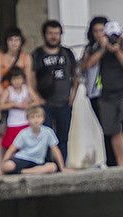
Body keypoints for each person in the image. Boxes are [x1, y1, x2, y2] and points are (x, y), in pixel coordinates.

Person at [83, 20, 123, 166]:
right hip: (107, 94)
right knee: (114, 129)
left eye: (115, 36)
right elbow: (88, 65)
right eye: (110, 36)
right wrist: (103, 49)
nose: (113, 39)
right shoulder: (97, 47)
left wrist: (117, 51)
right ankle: (121, 163)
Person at [31, 19, 79, 162]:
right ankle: (45, 166)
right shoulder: (38, 54)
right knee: (43, 137)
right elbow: (32, 77)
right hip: (45, 103)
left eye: (56, 33)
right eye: (50, 33)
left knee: (63, 138)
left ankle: (61, 166)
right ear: (44, 35)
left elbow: (75, 75)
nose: (53, 36)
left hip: (64, 103)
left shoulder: (67, 53)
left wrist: (73, 96)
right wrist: (37, 98)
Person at [0, 27, 32, 168]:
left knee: (23, 132)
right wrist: (7, 97)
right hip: (3, 96)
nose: (14, 43)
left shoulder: (26, 58)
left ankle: (20, 163)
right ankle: (1, 164)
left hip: (21, 98)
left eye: (17, 39)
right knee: (0, 132)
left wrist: (24, 98)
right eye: (11, 40)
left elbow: (28, 81)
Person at [0, 106, 64, 175]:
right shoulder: (23, 133)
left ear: (43, 118)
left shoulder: (48, 131)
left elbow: (55, 150)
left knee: (52, 167)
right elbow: (11, 149)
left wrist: (62, 168)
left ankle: (22, 172)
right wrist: (3, 166)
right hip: (23, 158)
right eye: (32, 117)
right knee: (7, 166)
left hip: (38, 161)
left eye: (38, 117)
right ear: (28, 119)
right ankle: (32, 171)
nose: (36, 120)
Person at [0, 68, 40, 161]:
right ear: (10, 80)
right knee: (11, 147)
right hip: (13, 123)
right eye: (14, 79)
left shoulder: (27, 89)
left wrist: (28, 105)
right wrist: (13, 104)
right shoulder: (8, 90)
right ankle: (7, 164)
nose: (17, 81)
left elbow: (37, 101)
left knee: (27, 145)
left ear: (23, 79)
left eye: (19, 79)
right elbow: (0, 106)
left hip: (26, 122)